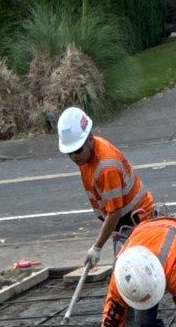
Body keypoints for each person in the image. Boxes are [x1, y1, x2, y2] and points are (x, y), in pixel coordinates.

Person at [57, 107, 156, 258]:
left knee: (131, 266)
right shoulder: (86, 156)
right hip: (123, 221)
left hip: (136, 219)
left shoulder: (106, 167)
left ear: (90, 138)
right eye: (69, 153)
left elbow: (115, 212)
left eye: (77, 150)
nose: (74, 156)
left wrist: (97, 247)